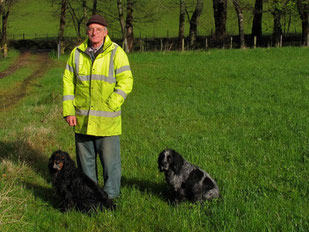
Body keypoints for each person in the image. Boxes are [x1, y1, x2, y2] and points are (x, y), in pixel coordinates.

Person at [62, 14, 133, 199]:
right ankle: (89, 197)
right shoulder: (76, 53)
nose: (94, 33)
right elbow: (68, 82)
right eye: (91, 29)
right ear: (87, 31)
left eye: (98, 29)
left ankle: (109, 199)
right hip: (82, 119)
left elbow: (126, 81)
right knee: (86, 166)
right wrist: (69, 111)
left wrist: (113, 103)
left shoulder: (116, 52)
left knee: (111, 165)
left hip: (107, 122)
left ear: (105, 32)